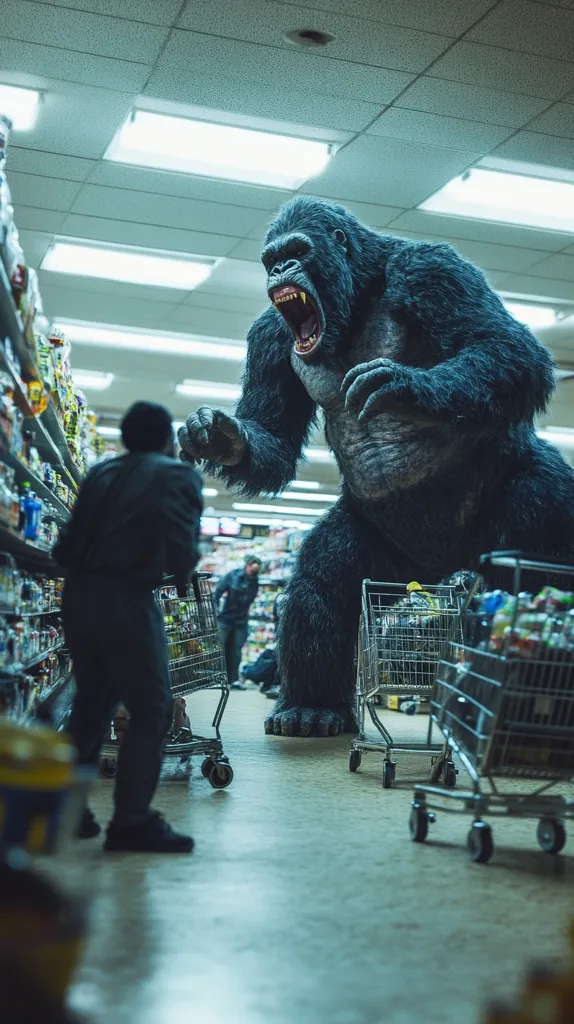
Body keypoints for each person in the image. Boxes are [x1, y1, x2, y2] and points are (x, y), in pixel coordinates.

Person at [53, 401, 202, 854]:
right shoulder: (177, 474)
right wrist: (183, 578)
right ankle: (131, 822)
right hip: (126, 598)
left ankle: (67, 810)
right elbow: (182, 546)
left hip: (78, 597)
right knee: (152, 709)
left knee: (92, 706)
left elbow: (65, 545)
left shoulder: (100, 473)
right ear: (167, 440)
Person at [215, 556, 261, 689]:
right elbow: (217, 593)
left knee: (236, 650)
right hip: (225, 618)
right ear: (247, 566)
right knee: (220, 648)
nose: (253, 574)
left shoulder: (255, 582)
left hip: (241, 621)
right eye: (252, 570)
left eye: (255, 572)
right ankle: (219, 677)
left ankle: (233, 679)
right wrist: (215, 611)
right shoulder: (232, 575)